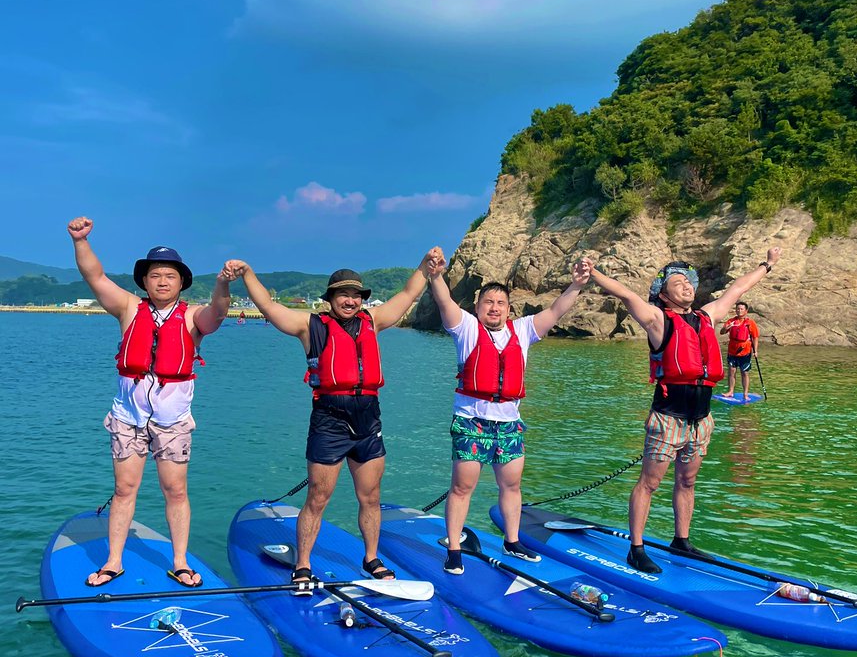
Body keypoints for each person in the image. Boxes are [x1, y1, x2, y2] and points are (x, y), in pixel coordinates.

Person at [223, 252, 443, 589]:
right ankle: (303, 563)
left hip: (368, 419)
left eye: (356, 295)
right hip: (329, 420)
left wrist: (425, 267)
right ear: (330, 299)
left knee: (370, 496)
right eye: (343, 295)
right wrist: (249, 273)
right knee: (318, 497)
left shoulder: (374, 321)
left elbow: (407, 294)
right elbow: (268, 306)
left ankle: (371, 558)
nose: (351, 300)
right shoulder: (310, 327)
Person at [583, 247, 781, 573]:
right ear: (663, 293)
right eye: (677, 282)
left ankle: (682, 541)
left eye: (689, 282)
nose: (687, 285)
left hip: (701, 421)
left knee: (687, 482)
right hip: (668, 419)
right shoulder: (657, 319)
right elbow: (626, 294)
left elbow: (738, 289)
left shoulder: (708, 316)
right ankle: (636, 547)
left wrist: (767, 265)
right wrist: (593, 273)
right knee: (649, 483)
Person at [67, 216, 231, 587]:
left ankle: (180, 562)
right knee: (124, 489)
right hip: (128, 417)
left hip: (172, 421)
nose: (161, 281)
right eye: (155, 275)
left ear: (182, 282)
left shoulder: (193, 317)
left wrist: (222, 283)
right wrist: (80, 241)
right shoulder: (128, 308)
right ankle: (113, 562)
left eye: (170, 276)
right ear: (144, 281)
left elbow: (218, 312)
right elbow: (95, 277)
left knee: (175, 490)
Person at [427, 257, 591, 574]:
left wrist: (578, 284)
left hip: (509, 425)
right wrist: (436, 276)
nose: (494, 307)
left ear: (509, 310)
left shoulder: (524, 330)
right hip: (472, 422)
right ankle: (454, 547)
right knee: (462, 487)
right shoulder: (465, 328)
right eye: (488, 301)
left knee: (512, 486)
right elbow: (444, 300)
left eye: (501, 302)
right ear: (477, 307)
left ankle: (512, 541)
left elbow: (557, 310)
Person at [719, 302, 759, 400]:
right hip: (732, 350)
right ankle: (731, 391)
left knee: (744, 372)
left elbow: (755, 337)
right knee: (732, 371)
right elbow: (722, 332)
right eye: (738, 309)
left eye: (741, 309)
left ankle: (745, 394)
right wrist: (726, 328)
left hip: (745, 351)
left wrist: (755, 351)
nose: (739, 311)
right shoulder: (731, 321)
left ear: (746, 311)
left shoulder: (750, 323)